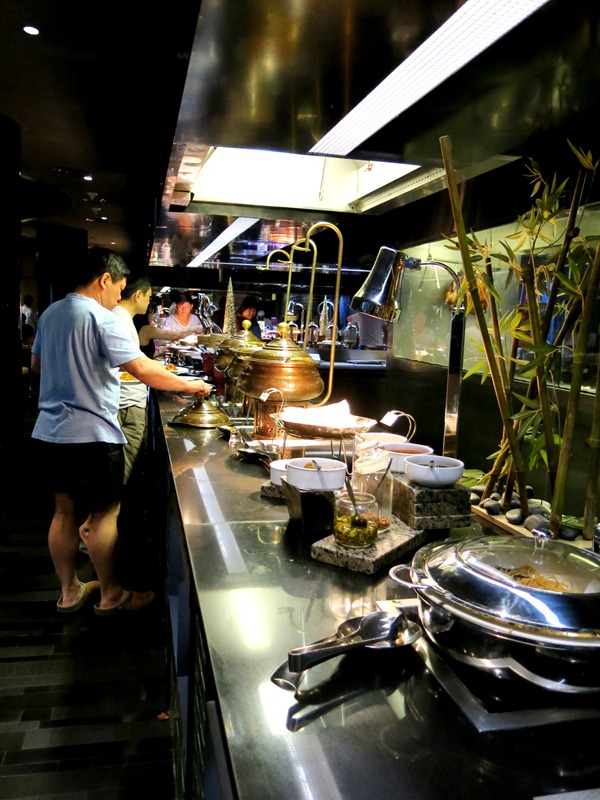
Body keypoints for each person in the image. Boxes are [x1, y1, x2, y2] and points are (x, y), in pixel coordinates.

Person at [30, 247, 211, 616]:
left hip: (49, 432)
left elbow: (36, 365)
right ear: (104, 280)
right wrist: (190, 385)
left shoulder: (50, 313)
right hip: (91, 435)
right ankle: (112, 595)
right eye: (118, 288)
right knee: (103, 517)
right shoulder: (103, 318)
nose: (118, 297)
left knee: (62, 514)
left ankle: (69, 592)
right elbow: (142, 369)